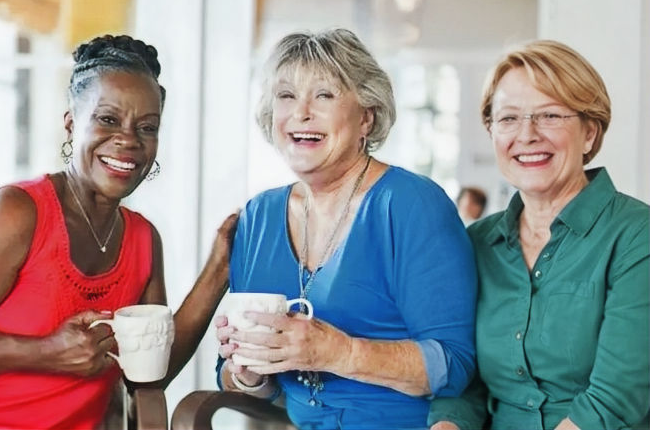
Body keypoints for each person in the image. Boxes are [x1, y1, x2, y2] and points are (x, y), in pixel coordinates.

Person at [0, 35, 237, 429]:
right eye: (108, 119)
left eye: (147, 128)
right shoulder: (16, 213)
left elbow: (149, 373)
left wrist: (219, 269)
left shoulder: (144, 240)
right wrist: (46, 352)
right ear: (71, 123)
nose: (129, 140)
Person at [213, 29, 478, 429]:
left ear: (366, 118)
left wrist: (340, 352)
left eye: (324, 95)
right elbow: (238, 376)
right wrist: (248, 372)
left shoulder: (411, 204)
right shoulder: (258, 215)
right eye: (286, 96)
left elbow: (455, 364)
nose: (301, 112)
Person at [429, 41, 649, 429]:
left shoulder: (636, 235)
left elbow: (615, 399)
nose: (526, 135)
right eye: (508, 118)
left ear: (589, 134)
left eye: (549, 115)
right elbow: (466, 383)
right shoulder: (476, 244)